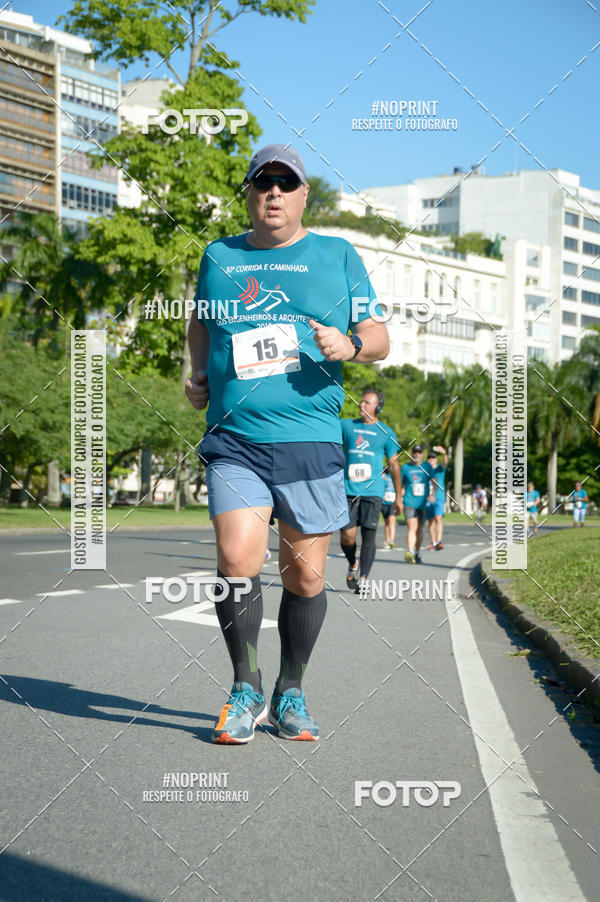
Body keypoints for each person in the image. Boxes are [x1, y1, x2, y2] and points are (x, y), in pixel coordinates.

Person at [184, 143, 389, 744]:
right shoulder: (219, 256)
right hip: (236, 439)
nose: (273, 192)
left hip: (310, 440)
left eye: (285, 183)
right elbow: (201, 320)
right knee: (238, 558)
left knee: (303, 579)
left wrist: (350, 347)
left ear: (303, 196)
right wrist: (197, 374)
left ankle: (289, 689)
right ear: (249, 194)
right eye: (262, 182)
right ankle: (244, 689)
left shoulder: (337, 255)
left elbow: (377, 335)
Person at [340, 391, 401, 591]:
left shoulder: (386, 432)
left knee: (369, 535)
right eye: (362, 401)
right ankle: (353, 564)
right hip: (348, 490)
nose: (362, 404)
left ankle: (364, 579)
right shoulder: (347, 425)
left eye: (367, 402)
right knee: (347, 536)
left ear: (377, 407)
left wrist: (398, 496)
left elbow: (393, 465)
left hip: (373, 491)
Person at [399, 445, 435, 564]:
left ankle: (417, 552)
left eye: (419, 452)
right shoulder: (405, 468)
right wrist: (399, 497)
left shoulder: (427, 466)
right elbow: (400, 484)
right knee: (412, 526)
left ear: (422, 454)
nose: (417, 454)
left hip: (422, 503)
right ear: (412, 453)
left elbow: (434, 482)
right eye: (415, 452)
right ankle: (410, 552)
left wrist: (433, 494)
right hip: (409, 501)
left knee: (419, 528)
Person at [425, 446, 448, 550]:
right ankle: (433, 542)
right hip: (428, 498)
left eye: (433, 458)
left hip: (439, 497)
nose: (431, 460)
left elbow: (445, 463)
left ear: (436, 460)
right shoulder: (424, 470)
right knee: (430, 520)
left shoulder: (439, 469)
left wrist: (444, 453)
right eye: (429, 458)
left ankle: (439, 541)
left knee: (438, 518)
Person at [381, 467, 397, 549]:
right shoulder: (384, 477)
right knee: (386, 522)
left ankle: (391, 540)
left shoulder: (396, 477)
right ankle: (387, 540)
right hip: (384, 502)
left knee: (391, 521)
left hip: (393, 502)